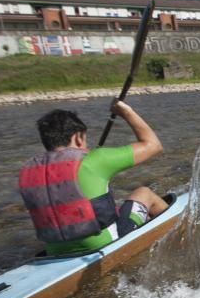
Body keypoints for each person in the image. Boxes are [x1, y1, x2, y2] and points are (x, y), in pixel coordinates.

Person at [19, 101, 168, 256]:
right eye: (85, 140)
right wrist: (126, 111)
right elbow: (153, 145)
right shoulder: (95, 159)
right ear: (78, 138)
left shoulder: (27, 170)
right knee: (144, 193)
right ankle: (180, 231)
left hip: (54, 251)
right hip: (103, 244)